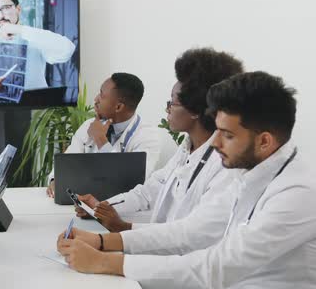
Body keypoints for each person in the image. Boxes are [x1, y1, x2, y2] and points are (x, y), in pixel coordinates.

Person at [57, 71, 316, 288]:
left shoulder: (297, 193)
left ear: (264, 141)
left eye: (226, 134)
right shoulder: (249, 173)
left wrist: (104, 261)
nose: (214, 143)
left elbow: (218, 267)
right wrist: (103, 241)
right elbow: (187, 230)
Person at [75, 48, 243, 232]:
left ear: (195, 111)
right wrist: (102, 206)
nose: (167, 109)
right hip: (161, 249)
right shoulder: (187, 148)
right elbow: (147, 192)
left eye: (172, 102)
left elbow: (193, 235)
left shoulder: (222, 165)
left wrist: (124, 229)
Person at [46, 72, 163, 198]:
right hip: (82, 203)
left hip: (124, 210)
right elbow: (65, 164)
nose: (96, 99)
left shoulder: (148, 137)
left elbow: (131, 182)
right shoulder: (88, 126)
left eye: (102, 95)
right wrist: (55, 180)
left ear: (118, 107)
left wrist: (100, 139)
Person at [0, 0, 76, 89]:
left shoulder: (34, 37)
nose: (1, 15)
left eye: (6, 8)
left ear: (18, 9)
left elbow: (67, 49)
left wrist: (18, 29)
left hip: (37, 103)